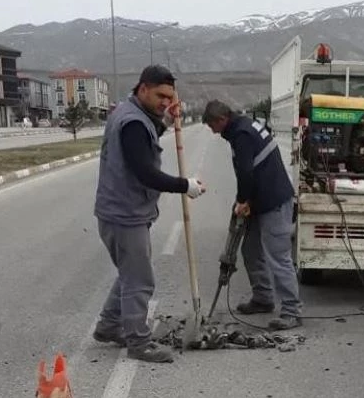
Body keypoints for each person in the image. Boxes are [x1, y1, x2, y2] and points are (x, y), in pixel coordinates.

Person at [94, 65, 206, 363]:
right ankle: (139, 343)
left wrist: (166, 121)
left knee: (129, 275)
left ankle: (108, 326)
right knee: (140, 281)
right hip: (125, 214)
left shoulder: (131, 114)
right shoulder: (132, 122)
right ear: (143, 88)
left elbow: (145, 138)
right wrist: (186, 185)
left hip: (119, 211)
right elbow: (145, 173)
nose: (164, 103)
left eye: (169, 98)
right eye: (160, 96)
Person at [202, 99, 302, 330]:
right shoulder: (243, 126)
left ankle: (291, 311)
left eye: (211, 126)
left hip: (274, 201)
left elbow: (246, 173)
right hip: (260, 200)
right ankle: (263, 298)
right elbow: (249, 171)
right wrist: (246, 201)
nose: (212, 131)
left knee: (279, 256)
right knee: (250, 249)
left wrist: (241, 201)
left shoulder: (242, 134)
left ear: (222, 119)